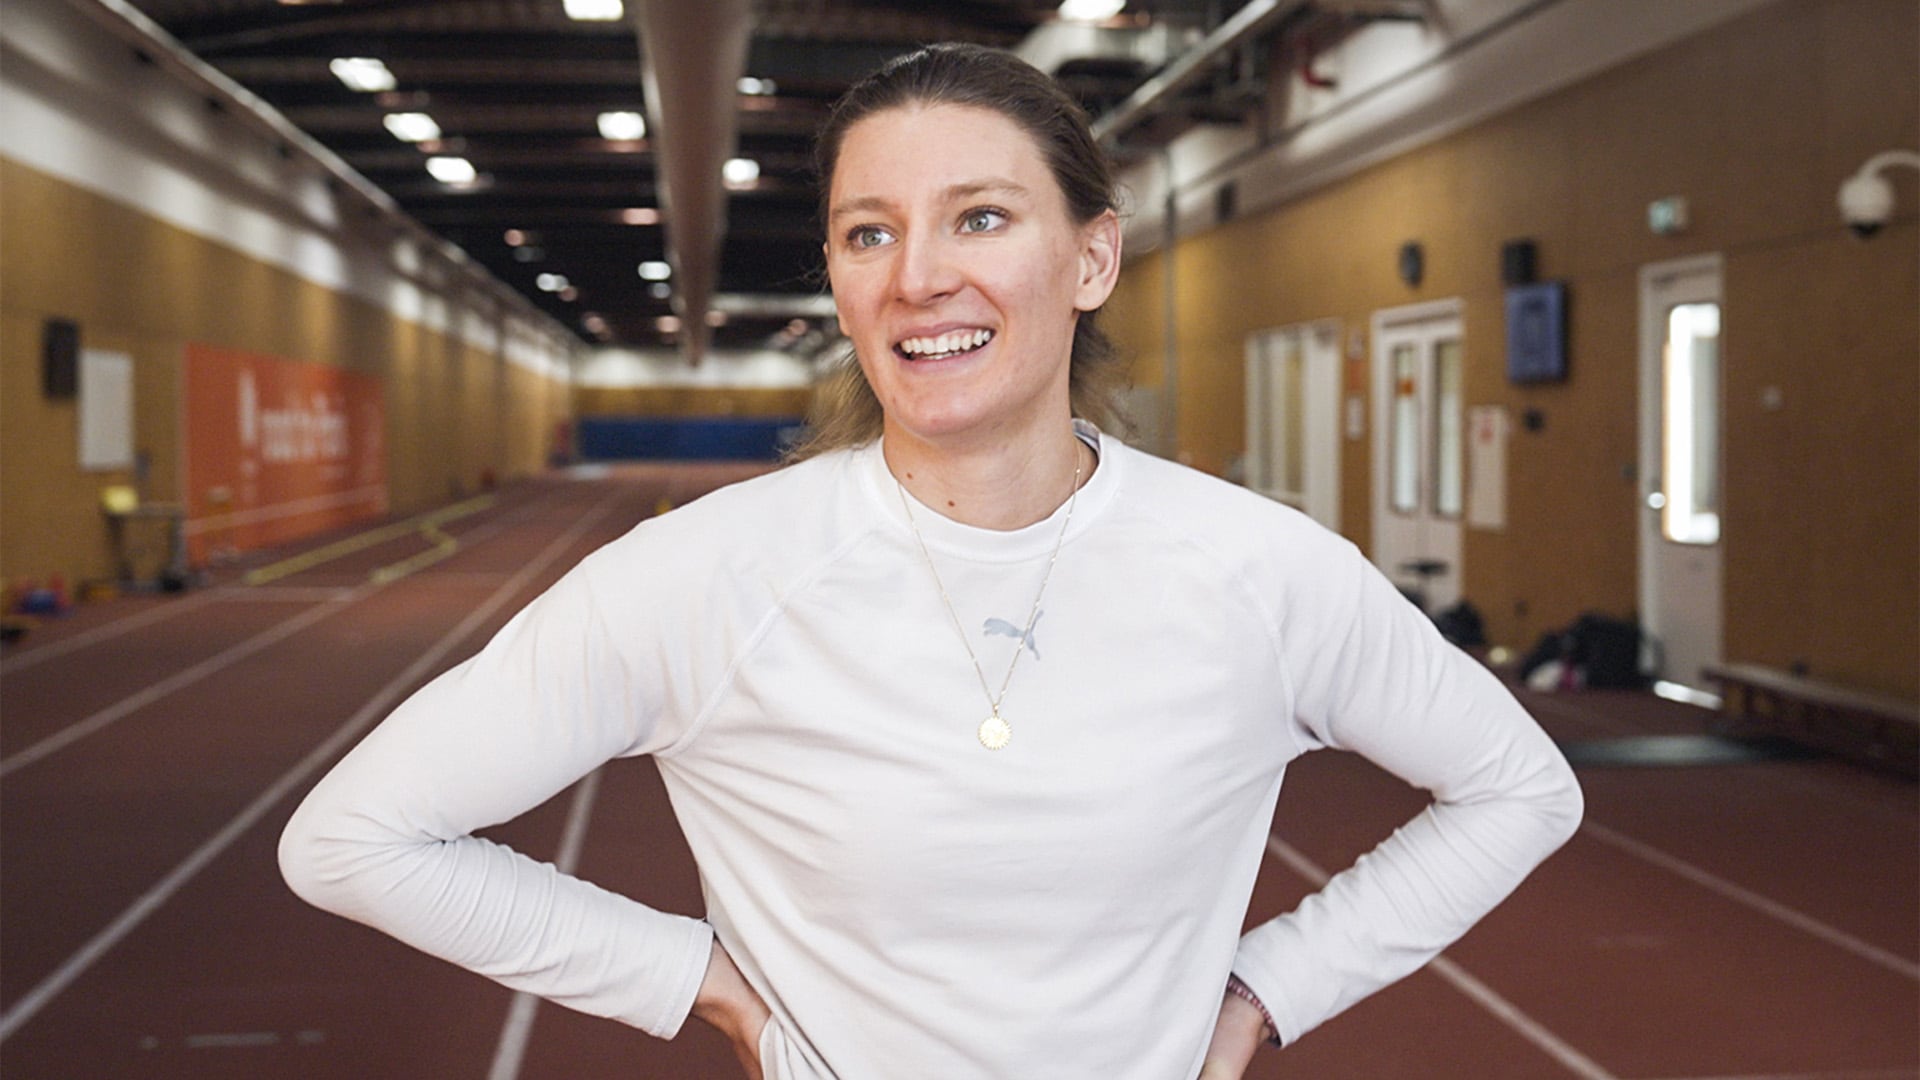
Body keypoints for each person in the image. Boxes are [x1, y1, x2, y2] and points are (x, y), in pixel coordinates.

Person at [279, 43, 1583, 1080]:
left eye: (979, 217)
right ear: (840, 283)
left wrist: (1264, 998)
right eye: (868, 233)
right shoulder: (704, 578)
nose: (919, 277)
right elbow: (352, 837)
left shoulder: (1260, 569)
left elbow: (1520, 789)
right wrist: (696, 983)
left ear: (1091, 257)